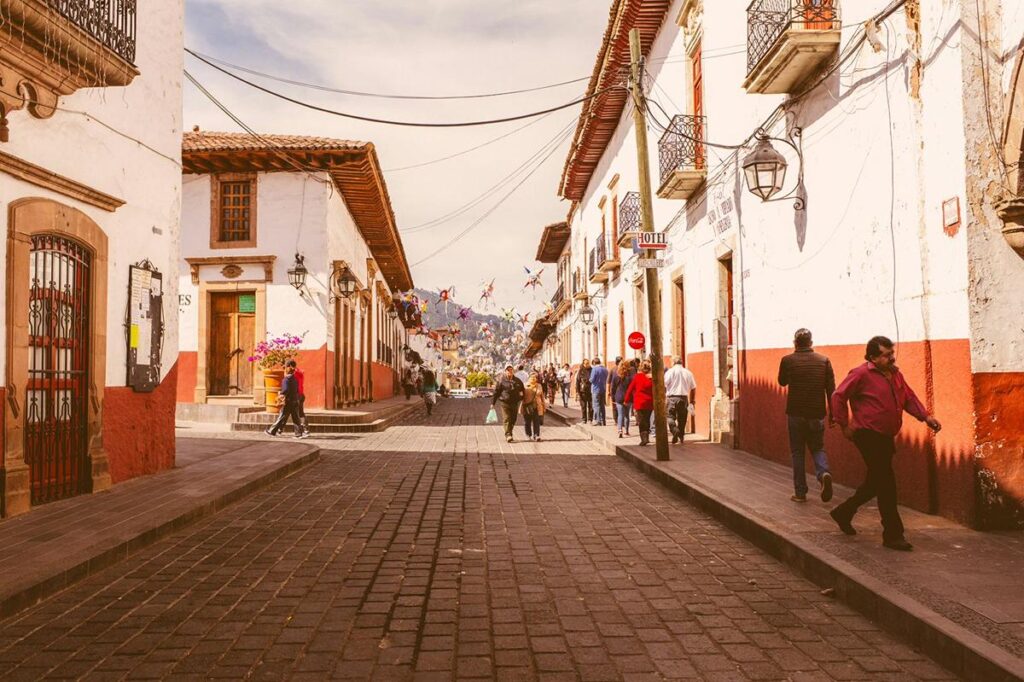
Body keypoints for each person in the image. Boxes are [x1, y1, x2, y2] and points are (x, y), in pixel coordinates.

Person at [829, 336, 942, 551]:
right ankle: (893, 534)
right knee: (887, 483)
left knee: (876, 482)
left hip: (885, 436)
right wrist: (844, 425)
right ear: (873, 357)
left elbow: (908, 397)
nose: (892, 358)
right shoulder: (861, 374)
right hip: (867, 434)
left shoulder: (895, 375)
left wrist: (926, 417)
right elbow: (838, 396)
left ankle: (843, 512)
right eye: (886, 355)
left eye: (892, 353)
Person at [778, 329, 835, 503]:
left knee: (797, 452)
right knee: (818, 448)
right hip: (816, 413)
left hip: (795, 413)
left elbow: (782, 382)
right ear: (811, 343)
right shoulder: (824, 361)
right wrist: (833, 414)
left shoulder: (787, 360)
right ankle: (823, 473)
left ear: (795, 343)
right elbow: (831, 390)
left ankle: (800, 493)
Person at [664, 357, 697, 445]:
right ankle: (681, 436)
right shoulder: (688, 372)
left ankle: (675, 430)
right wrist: (692, 401)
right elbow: (693, 388)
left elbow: (664, 384)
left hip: (671, 397)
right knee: (682, 418)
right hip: (683, 398)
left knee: (670, 416)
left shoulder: (670, 372)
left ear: (673, 362)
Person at [266, 365, 303, 438]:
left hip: (288, 401)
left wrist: (281, 394)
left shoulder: (286, 379)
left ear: (286, 371)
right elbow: (297, 390)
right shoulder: (295, 379)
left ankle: (272, 431)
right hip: (295, 400)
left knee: (281, 416)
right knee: (296, 418)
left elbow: (285, 389)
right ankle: (298, 434)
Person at [492, 365, 526, 443]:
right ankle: (508, 435)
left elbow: (522, 390)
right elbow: (497, 392)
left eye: (511, 370)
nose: (510, 372)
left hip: (514, 402)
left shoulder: (517, 381)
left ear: (513, 371)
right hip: (505, 402)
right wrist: (492, 403)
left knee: (513, 419)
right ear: (505, 371)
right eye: (508, 370)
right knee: (507, 418)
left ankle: (509, 432)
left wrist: (522, 398)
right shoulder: (501, 381)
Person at [625, 360, 654, 445]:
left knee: (641, 421)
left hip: (640, 403)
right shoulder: (652, 378)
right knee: (647, 419)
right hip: (649, 402)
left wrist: (626, 400)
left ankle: (644, 438)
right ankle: (647, 436)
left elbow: (630, 389)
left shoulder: (637, 377)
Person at [285, 359, 310, 438]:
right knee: (300, 413)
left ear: (290, 366)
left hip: (297, 395)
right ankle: (306, 430)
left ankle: (302, 431)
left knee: (296, 414)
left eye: (286, 366)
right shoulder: (299, 372)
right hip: (301, 394)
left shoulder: (293, 374)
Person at [611, 361, 635, 438]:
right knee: (626, 415)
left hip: (619, 397)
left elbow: (613, 388)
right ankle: (627, 431)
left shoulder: (616, 377)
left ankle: (620, 430)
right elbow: (632, 389)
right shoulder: (630, 377)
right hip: (628, 398)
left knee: (620, 415)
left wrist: (613, 397)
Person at [522, 371, 547, 442]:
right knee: (527, 421)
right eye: (532, 377)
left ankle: (536, 435)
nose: (534, 378)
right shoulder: (525, 385)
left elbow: (542, 397)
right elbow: (521, 396)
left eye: (535, 377)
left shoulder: (539, 385)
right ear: (529, 377)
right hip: (527, 406)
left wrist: (544, 406)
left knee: (536, 421)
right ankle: (528, 435)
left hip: (537, 406)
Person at [589, 357, 609, 425]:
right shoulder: (605, 369)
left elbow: (591, 380)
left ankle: (598, 421)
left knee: (596, 405)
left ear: (594, 363)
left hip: (595, 389)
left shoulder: (594, 369)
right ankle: (603, 420)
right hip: (603, 389)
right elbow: (607, 378)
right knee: (602, 405)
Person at [576, 359, 593, 424]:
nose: (587, 364)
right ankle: (584, 419)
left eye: (588, 363)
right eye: (586, 363)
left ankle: (590, 419)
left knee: (591, 406)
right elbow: (578, 381)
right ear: (583, 364)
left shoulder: (592, 370)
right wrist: (578, 391)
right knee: (583, 406)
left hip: (590, 390)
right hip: (582, 391)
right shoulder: (581, 371)